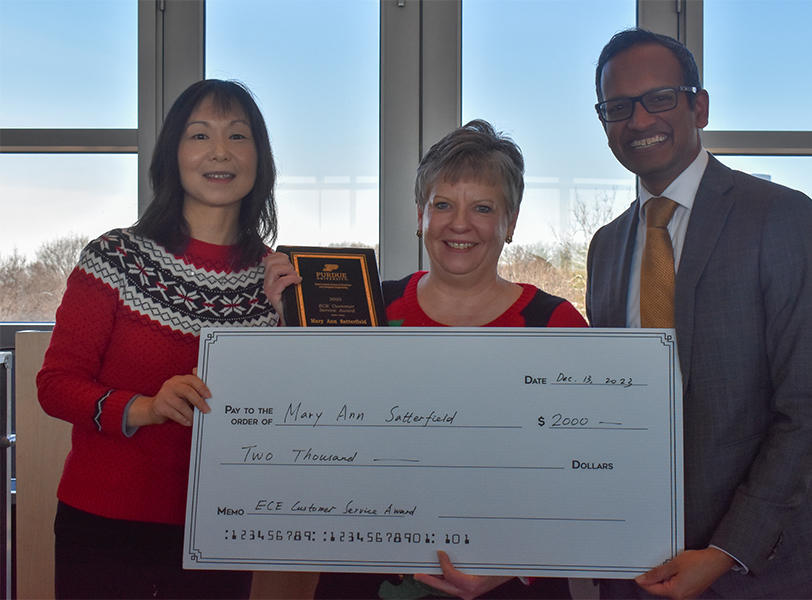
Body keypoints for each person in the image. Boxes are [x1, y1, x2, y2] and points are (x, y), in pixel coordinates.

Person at [578, 28, 812, 599]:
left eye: (659, 97)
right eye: (617, 107)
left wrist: (728, 551)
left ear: (698, 105)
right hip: (634, 561)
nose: (638, 120)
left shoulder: (780, 216)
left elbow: (804, 409)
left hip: (754, 564)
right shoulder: (607, 246)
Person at [265, 119, 586, 599]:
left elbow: (583, 479)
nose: (460, 224)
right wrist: (289, 321)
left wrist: (508, 568)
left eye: (482, 207)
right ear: (420, 215)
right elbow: (315, 426)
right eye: (442, 205)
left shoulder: (555, 322)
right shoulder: (370, 308)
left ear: (511, 222)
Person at [37, 79, 281, 599]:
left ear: (260, 157)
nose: (221, 152)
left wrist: (295, 322)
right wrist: (146, 407)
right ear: (173, 154)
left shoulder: (280, 280)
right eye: (200, 136)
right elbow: (55, 385)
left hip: (223, 526)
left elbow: (303, 416)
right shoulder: (115, 257)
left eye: (238, 137)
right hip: (104, 523)